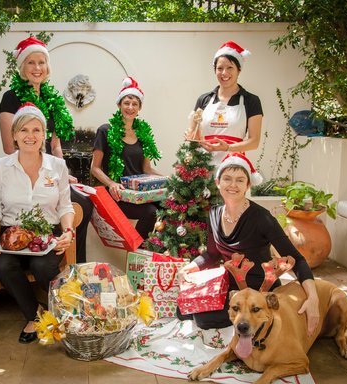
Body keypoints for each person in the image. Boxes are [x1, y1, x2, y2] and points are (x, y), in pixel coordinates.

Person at [190, 152, 319, 337]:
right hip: (232, 292)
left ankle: (257, 317)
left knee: (203, 319)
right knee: (187, 310)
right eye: (227, 179)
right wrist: (189, 268)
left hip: (260, 292)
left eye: (240, 180)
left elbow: (296, 259)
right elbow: (211, 254)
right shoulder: (214, 213)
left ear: (248, 185)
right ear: (218, 182)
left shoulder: (262, 218)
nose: (233, 185)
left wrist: (313, 298)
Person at [0, 103, 75, 344]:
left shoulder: (58, 166)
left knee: (42, 268)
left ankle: (67, 312)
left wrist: (67, 231)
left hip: (47, 234)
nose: (30, 136)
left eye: (36, 130)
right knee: (3, 265)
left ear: (44, 135)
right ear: (14, 135)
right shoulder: (2, 167)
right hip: (11, 234)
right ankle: (35, 316)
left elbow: (65, 206)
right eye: (24, 130)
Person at [0, 36, 93, 263]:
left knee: (86, 203)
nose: (37, 68)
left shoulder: (52, 100)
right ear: (22, 66)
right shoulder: (11, 98)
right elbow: (8, 145)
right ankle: (48, 255)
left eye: (41, 62)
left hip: (51, 170)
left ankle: (73, 262)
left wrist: (63, 172)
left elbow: (55, 144)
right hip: (25, 170)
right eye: (31, 62)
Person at [90, 77, 163, 240]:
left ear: (139, 108)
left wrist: (167, 178)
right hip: (119, 194)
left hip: (139, 192)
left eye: (135, 104)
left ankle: (155, 247)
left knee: (166, 205)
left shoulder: (143, 134)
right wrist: (111, 184)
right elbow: (94, 168)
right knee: (151, 212)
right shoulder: (105, 131)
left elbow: (147, 169)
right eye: (126, 103)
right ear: (119, 105)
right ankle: (137, 247)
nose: (130, 107)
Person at [186, 41, 263, 165]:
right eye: (219, 68)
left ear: (239, 70)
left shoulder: (251, 100)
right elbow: (194, 135)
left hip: (234, 166)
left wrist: (227, 148)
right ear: (215, 70)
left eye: (230, 68)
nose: (224, 73)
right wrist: (191, 136)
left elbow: (254, 142)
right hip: (204, 166)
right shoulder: (203, 100)